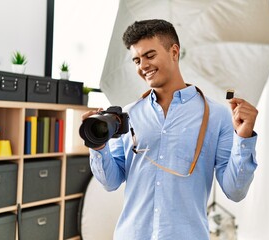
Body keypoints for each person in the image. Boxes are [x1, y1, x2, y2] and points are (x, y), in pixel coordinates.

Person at [82, 19, 258, 240]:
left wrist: (244, 138)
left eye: (150, 55)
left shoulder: (217, 116)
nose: (142, 66)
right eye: (136, 60)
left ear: (174, 52)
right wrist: (97, 146)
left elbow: (235, 191)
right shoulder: (127, 115)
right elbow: (111, 182)